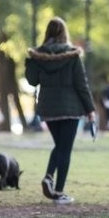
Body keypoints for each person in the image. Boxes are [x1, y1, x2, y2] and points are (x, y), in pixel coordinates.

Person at [25, 17, 96, 205]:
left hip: (49, 108)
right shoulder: (72, 55)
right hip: (70, 108)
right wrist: (90, 109)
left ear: (47, 32)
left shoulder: (38, 56)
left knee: (60, 147)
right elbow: (82, 85)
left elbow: (32, 80)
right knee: (65, 149)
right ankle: (58, 191)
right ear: (64, 32)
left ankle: (49, 178)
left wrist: (30, 62)